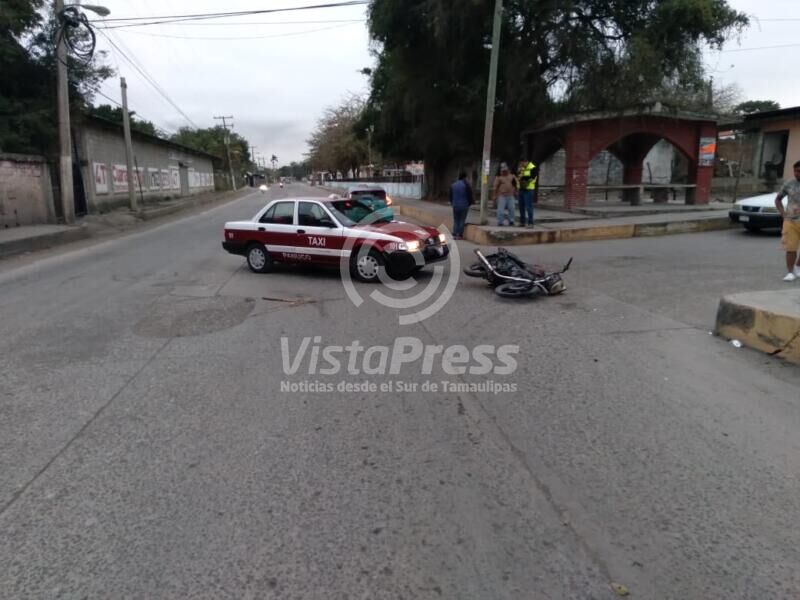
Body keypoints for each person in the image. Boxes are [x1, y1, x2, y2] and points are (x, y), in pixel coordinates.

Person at [776, 160, 800, 281]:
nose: (797, 173)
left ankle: (798, 267)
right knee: (791, 248)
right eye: (796, 171)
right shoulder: (789, 183)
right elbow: (778, 199)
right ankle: (790, 272)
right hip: (791, 220)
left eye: (799, 171)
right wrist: (783, 214)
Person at [449, 171, 473, 239]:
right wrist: (470, 203)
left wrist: (452, 202)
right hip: (464, 205)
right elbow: (469, 195)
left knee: (456, 220)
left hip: (455, 205)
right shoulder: (466, 185)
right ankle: (459, 234)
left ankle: (454, 233)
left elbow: (450, 195)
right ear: (465, 177)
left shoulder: (453, 185)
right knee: (462, 220)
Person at [517, 159, 539, 228]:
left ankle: (530, 223)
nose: (521, 164)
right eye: (521, 163)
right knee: (521, 207)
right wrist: (520, 173)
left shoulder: (533, 168)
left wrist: (523, 178)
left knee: (529, 207)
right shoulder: (522, 168)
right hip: (521, 189)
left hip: (529, 190)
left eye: (522, 163)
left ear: (526, 162)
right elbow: (518, 177)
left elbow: (532, 177)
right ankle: (522, 222)